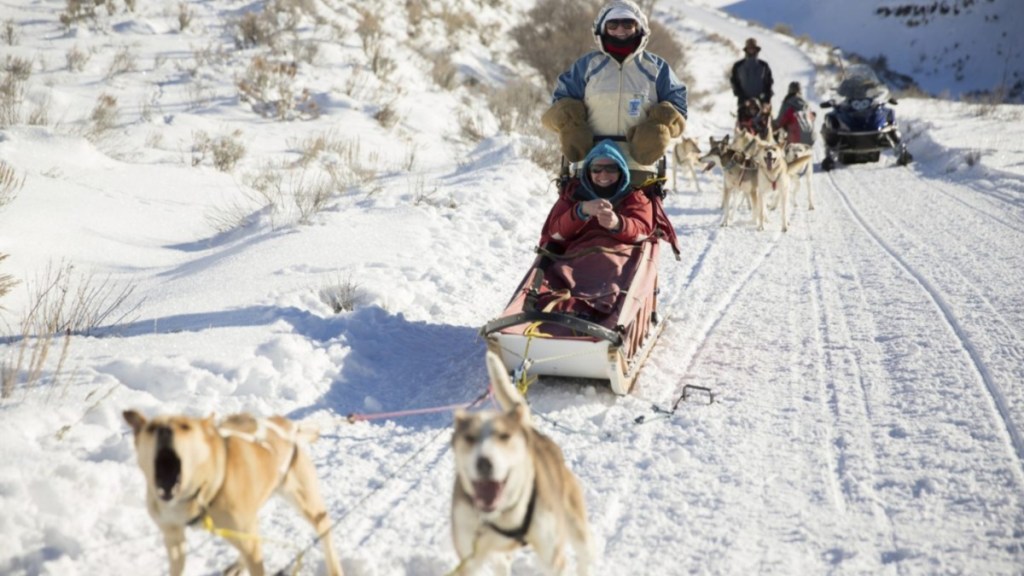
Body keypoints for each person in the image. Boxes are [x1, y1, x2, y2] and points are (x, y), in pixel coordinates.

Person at [541, 0, 688, 183]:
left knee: (638, 213)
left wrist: (660, 126)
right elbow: (560, 103)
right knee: (584, 212)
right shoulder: (587, 66)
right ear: (603, 28)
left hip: (639, 168)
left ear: (639, 26)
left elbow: (678, 108)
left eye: (628, 23)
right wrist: (571, 125)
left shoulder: (656, 68)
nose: (621, 29)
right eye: (613, 24)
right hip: (592, 167)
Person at [536, 140, 654, 318]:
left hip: (617, 256)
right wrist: (580, 211)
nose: (603, 174)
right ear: (588, 172)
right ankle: (569, 306)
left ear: (621, 170)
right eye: (597, 169)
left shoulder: (634, 197)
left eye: (611, 169)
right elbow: (555, 233)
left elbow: (643, 231)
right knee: (559, 276)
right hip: (577, 255)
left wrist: (618, 223)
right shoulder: (573, 196)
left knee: (613, 273)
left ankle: (592, 310)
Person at [730, 37, 774, 118]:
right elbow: (734, 82)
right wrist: (741, 96)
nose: (751, 50)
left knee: (765, 127)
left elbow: (769, 83)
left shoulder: (764, 66)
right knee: (743, 127)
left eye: (753, 48)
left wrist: (766, 99)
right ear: (746, 50)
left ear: (757, 50)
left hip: (761, 103)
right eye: (750, 48)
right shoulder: (738, 66)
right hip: (744, 103)